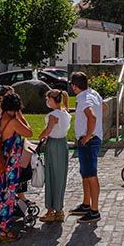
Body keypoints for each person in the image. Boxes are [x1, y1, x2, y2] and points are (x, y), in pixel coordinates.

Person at [0, 92, 33, 242]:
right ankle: (4, 231)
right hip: (9, 166)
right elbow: (29, 132)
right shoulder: (13, 121)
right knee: (7, 198)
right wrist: (20, 116)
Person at [68, 71, 103, 224]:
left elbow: (92, 116)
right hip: (91, 139)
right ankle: (86, 204)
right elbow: (104, 108)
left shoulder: (84, 99)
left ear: (75, 86)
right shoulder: (93, 93)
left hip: (88, 141)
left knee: (91, 175)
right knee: (85, 174)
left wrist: (88, 135)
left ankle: (94, 210)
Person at [37, 88, 71, 222]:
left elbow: (48, 130)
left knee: (51, 176)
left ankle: (51, 210)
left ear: (53, 100)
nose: (47, 101)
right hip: (63, 144)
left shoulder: (53, 115)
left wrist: (39, 137)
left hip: (53, 145)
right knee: (60, 176)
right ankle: (59, 209)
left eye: (48, 99)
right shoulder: (65, 113)